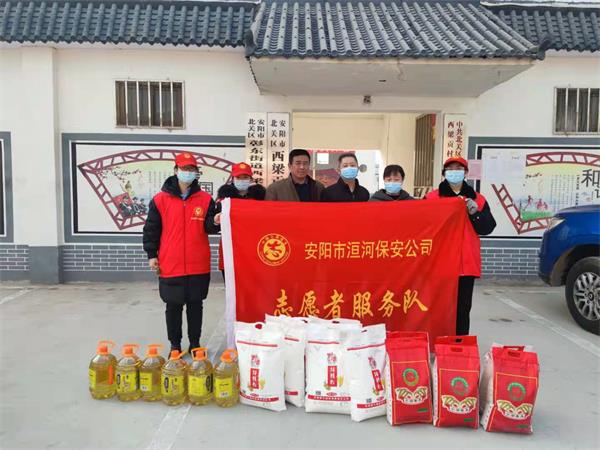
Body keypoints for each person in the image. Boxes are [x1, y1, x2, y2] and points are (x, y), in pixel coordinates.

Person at [142, 152, 221, 355]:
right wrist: (152, 255)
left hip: (198, 263)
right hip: (171, 263)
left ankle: (195, 344)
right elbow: (151, 230)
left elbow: (209, 227)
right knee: (173, 306)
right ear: (176, 170)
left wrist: (215, 221)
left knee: (196, 305)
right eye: (185, 169)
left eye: (192, 169)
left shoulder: (205, 199)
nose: (188, 173)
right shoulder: (160, 200)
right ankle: (175, 345)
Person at [425, 157, 496, 335]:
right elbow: (422, 226)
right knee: (439, 306)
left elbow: (488, 228)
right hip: (440, 262)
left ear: (465, 173)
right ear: (444, 173)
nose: (454, 172)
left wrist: (475, 213)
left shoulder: (478, 199)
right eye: (450, 169)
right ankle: (439, 341)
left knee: (463, 308)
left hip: (466, 262)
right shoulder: (432, 198)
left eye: (459, 168)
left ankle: (459, 344)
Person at [216, 162, 266, 280]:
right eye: (239, 177)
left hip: (253, 249)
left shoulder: (261, 199)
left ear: (251, 179)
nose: (242, 180)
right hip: (231, 248)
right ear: (233, 179)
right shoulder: (223, 200)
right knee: (232, 285)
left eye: (245, 177)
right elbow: (214, 224)